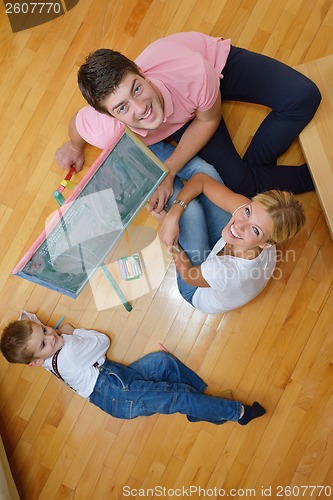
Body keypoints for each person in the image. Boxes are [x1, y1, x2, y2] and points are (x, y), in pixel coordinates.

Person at [55, 32, 321, 213]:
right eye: (122, 107)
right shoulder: (106, 129)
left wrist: (170, 169)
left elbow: (209, 118)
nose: (141, 108)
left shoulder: (193, 70)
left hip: (212, 68)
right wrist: (74, 146)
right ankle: (320, 176)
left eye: (136, 89)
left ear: (141, 73)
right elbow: (78, 124)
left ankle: (254, 172)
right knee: (242, 184)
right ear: (111, 117)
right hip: (186, 114)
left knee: (304, 96)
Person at [0, 312, 266, 426]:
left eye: (45, 329)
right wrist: (73, 331)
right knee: (177, 395)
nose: (52, 335)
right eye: (45, 343)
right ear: (36, 362)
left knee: (163, 363)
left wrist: (35, 330)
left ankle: (202, 408)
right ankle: (238, 413)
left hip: (115, 377)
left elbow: (30, 323)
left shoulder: (43, 359)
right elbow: (102, 341)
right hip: (117, 393)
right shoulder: (67, 352)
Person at [156, 168, 305, 314]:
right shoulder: (262, 223)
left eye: (255, 230)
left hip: (198, 290)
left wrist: (172, 243)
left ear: (266, 244)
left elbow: (188, 276)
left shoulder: (225, 273)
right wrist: (173, 216)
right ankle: (165, 170)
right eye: (248, 211)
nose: (239, 225)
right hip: (228, 255)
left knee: (190, 210)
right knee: (206, 171)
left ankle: (155, 174)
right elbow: (201, 179)